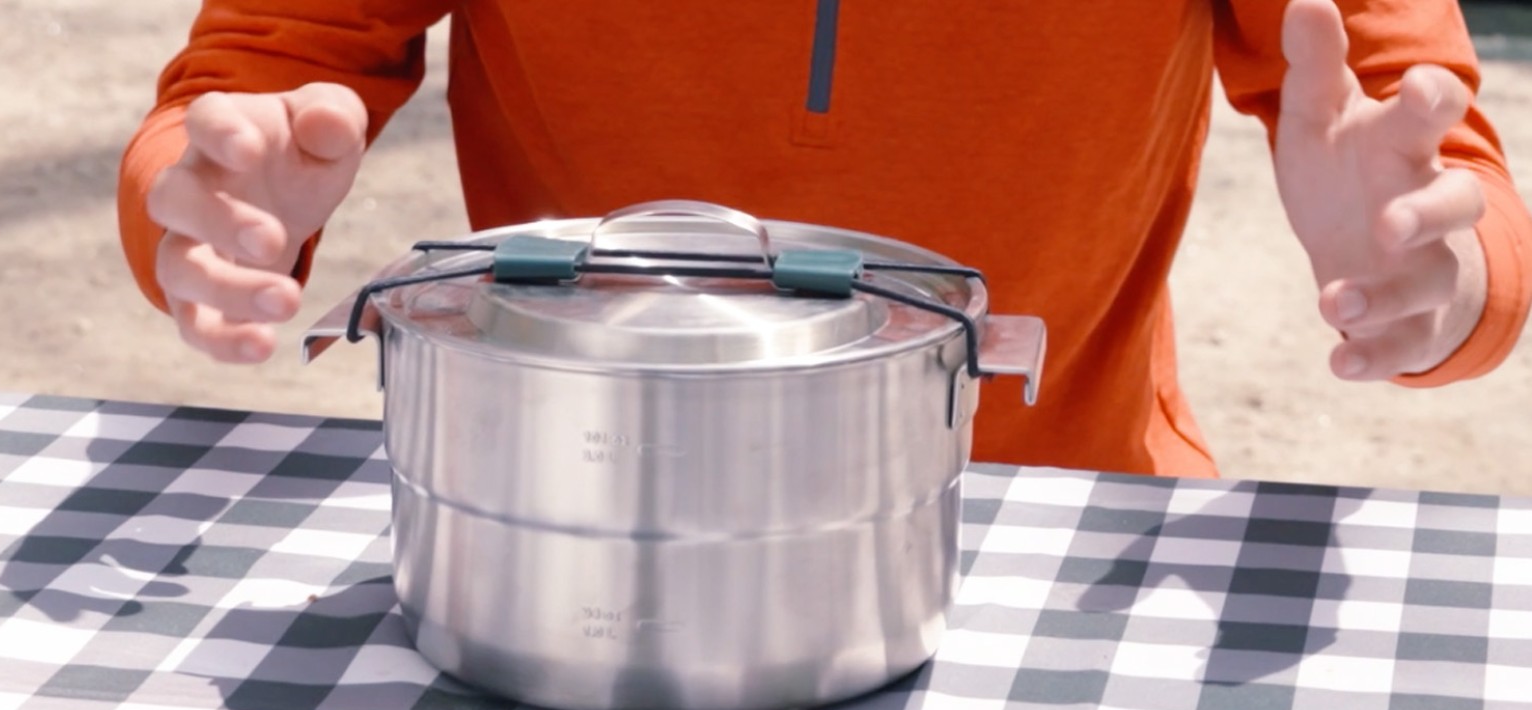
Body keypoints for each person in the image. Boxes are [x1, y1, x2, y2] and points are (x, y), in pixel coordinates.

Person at [116, 0, 1532, 479]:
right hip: (574, 517)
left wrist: (1436, 271)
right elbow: (248, 76)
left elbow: (1436, 154)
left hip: (1059, 519)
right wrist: (213, 199)